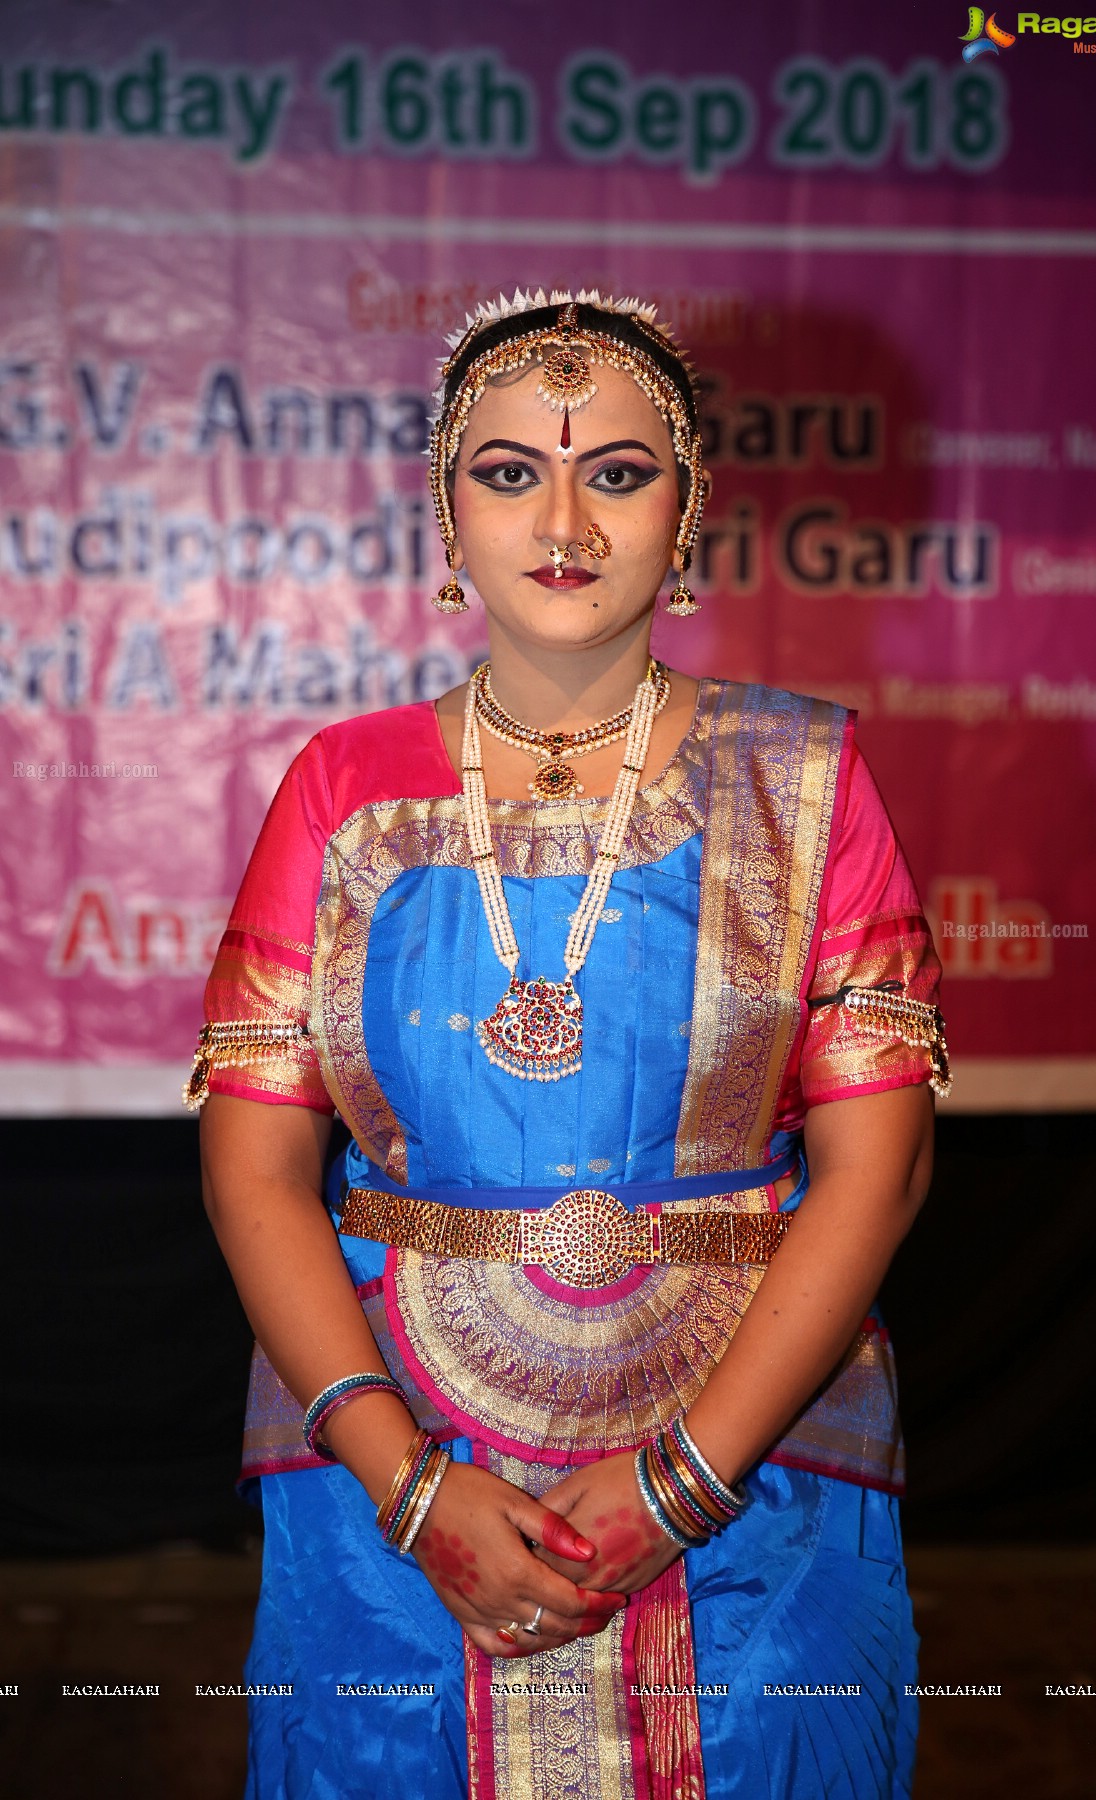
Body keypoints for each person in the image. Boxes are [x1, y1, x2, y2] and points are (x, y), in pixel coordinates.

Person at [190, 289, 951, 1800]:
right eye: (508, 470)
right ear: (443, 512)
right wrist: (413, 1494)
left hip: (755, 1492)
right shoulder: (342, 791)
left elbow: (883, 1165)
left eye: (616, 471)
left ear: (689, 515)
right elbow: (257, 1167)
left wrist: (682, 1484)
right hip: (393, 1489)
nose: (565, 518)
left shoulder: (805, 781)